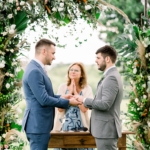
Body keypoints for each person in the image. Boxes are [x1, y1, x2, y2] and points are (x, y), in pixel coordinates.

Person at [21, 39, 81, 150]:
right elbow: (43, 99)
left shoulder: (37, 69)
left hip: (39, 126)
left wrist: (62, 97)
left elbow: (45, 95)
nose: (54, 57)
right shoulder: (35, 71)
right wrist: (68, 102)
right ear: (44, 51)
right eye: (53, 53)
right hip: (37, 126)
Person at [74, 45, 123, 150]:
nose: (96, 61)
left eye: (98, 58)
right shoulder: (111, 75)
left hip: (106, 131)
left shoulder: (111, 78)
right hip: (105, 131)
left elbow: (105, 104)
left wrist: (84, 100)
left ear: (107, 59)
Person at [53, 62, 94, 150]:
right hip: (64, 128)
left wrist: (75, 92)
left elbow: (84, 109)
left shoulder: (87, 89)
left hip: (82, 128)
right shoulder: (62, 87)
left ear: (82, 74)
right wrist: (70, 92)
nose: (73, 72)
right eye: (71, 70)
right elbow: (60, 109)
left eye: (76, 70)